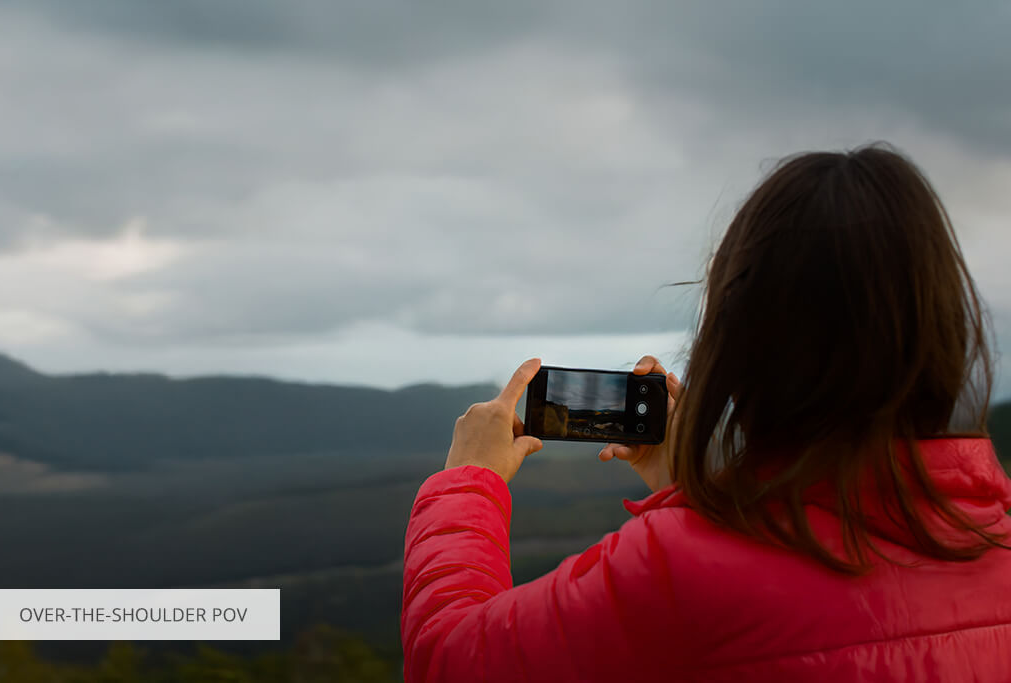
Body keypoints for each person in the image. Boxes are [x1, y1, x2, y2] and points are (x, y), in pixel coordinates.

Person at [401, 143, 1011, 682]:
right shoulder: (996, 538)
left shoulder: (676, 573)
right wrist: (689, 492)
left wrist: (467, 486)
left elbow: (448, 660)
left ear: (743, 336)